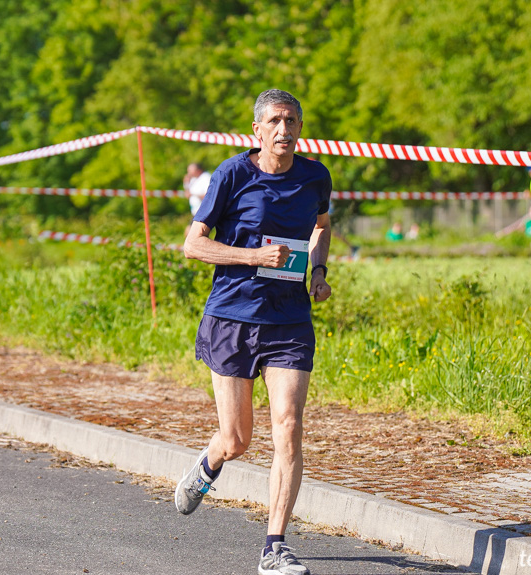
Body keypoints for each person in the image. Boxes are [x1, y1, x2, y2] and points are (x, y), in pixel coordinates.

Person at [178, 89, 332, 575]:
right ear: (257, 131)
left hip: (288, 320)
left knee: (287, 426)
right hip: (232, 318)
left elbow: (322, 225)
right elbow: (193, 246)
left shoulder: (315, 177)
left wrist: (319, 271)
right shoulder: (232, 175)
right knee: (238, 439)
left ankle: (275, 545)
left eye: (292, 121)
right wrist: (252, 257)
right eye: (275, 121)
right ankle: (209, 463)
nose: (284, 130)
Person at [183, 162, 211, 236]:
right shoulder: (194, 179)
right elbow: (187, 193)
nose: (189, 173)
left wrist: (193, 194)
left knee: (191, 233)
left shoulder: (206, 178)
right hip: (195, 212)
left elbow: (209, 195)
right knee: (195, 235)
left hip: (203, 211)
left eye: (190, 171)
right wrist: (186, 182)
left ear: (198, 170)